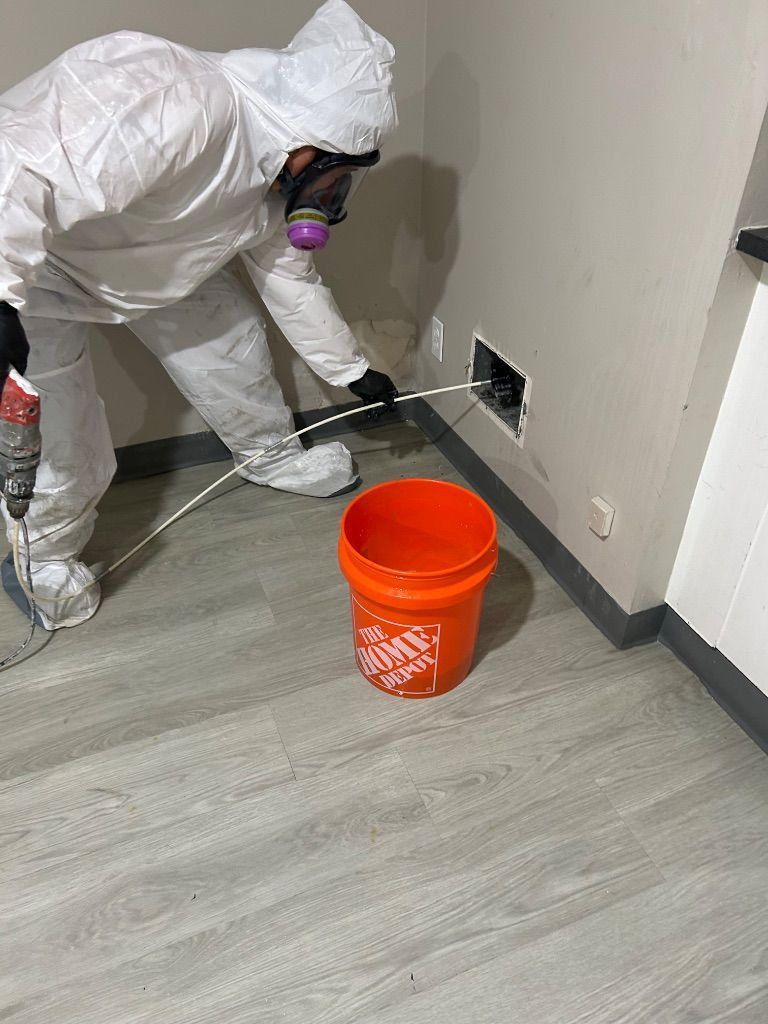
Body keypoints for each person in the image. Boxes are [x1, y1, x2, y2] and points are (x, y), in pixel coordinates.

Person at [0, 0, 399, 630]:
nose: (328, 199)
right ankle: (43, 565)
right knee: (67, 444)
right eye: (334, 179)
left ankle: (269, 454)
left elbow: (290, 277)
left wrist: (352, 373)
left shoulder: (277, 179)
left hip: (162, 263)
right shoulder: (174, 96)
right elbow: (18, 165)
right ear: (307, 144)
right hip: (37, 272)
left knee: (233, 343)